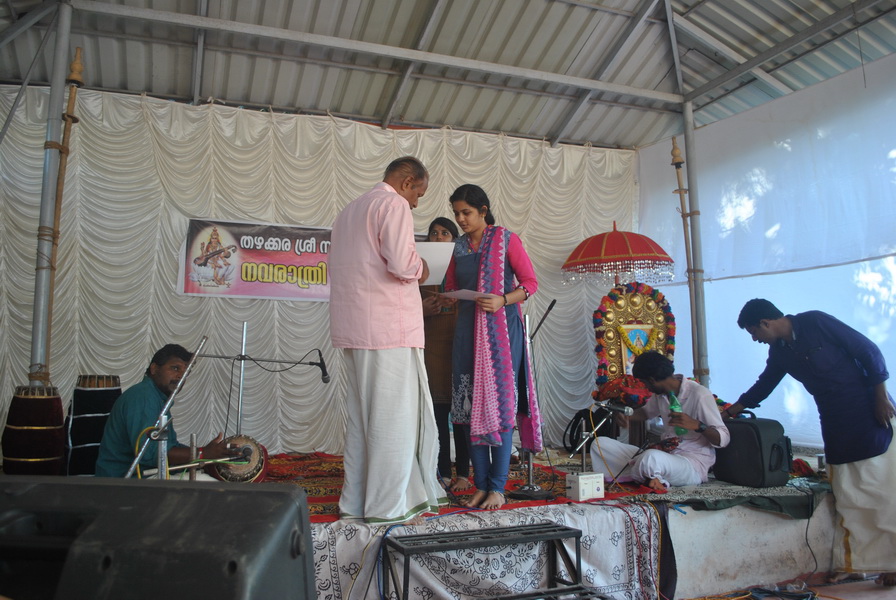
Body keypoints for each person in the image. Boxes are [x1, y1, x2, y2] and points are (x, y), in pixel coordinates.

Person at [728, 299, 896, 587]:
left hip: (868, 411)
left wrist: (881, 397)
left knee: (880, 491)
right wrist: (730, 411)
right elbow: (765, 384)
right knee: (849, 494)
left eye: (754, 332)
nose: (755, 339)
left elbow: (869, 352)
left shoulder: (816, 322)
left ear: (766, 322)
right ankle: (858, 563)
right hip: (834, 420)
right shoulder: (779, 351)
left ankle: (892, 563)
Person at [329, 156, 445, 525]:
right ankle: (388, 508)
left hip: (354, 327)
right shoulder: (392, 204)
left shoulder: (349, 210)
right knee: (393, 420)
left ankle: (356, 502)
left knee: (363, 422)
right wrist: (423, 268)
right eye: (418, 193)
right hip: (387, 328)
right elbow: (402, 265)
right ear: (407, 182)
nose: (416, 203)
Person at [445, 183, 542, 510]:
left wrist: (502, 299)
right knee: (469, 408)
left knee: (499, 407)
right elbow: (451, 285)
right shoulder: (458, 247)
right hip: (466, 331)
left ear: (483, 211)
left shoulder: (506, 240)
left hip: (501, 335)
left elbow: (530, 284)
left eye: (466, 212)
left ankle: (498, 487)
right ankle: (481, 485)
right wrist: (449, 296)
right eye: (457, 213)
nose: (461, 219)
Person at [589, 351, 730, 490]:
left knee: (650, 458)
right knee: (599, 445)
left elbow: (723, 438)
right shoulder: (661, 395)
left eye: (645, 383)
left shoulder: (699, 394)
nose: (646, 388)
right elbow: (645, 413)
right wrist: (627, 416)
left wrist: (698, 425)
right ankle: (647, 475)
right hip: (666, 456)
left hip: (691, 463)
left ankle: (645, 474)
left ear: (652, 380)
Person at [95, 344, 237, 478]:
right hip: (124, 481)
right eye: (175, 368)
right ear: (154, 369)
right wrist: (203, 453)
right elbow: (150, 454)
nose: (181, 376)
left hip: (146, 477)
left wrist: (207, 458)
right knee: (209, 487)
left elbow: (169, 447)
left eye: (186, 372)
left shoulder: (157, 398)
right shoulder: (144, 397)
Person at [421, 217, 472, 492]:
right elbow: (402, 304)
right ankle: (441, 472)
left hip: (459, 343)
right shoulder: (418, 267)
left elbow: (475, 300)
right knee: (438, 414)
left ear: (454, 239)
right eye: (434, 233)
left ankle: (463, 473)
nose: (438, 237)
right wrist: (422, 309)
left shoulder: (464, 265)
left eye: (445, 233)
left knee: (462, 413)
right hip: (432, 346)